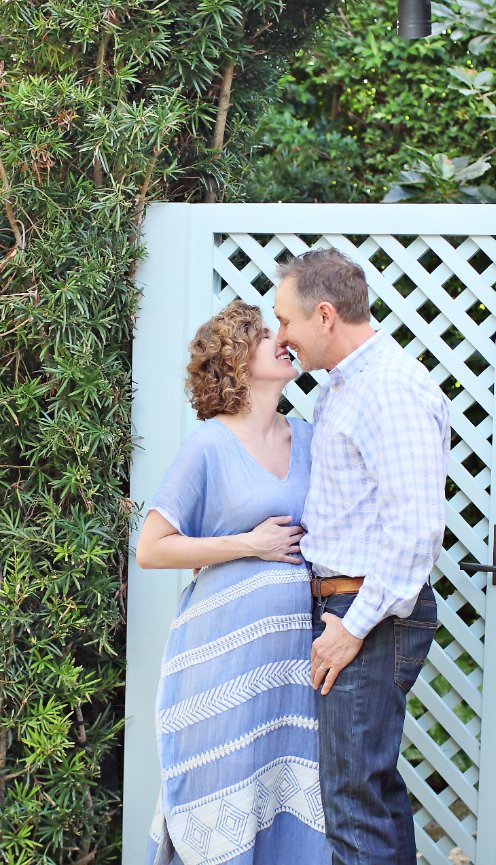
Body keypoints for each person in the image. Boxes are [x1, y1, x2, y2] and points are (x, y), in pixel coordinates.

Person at [136, 300, 332, 865]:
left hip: (294, 663)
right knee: (223, 789)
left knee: (297, 792)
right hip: (219, 664)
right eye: (265, 334)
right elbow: (151, 547)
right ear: (236, 361)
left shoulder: (312, 439)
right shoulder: (209, 446)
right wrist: (249, 544)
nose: (282, 339)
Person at [273, 248, 450, 865]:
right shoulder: (345, 388)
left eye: (286, 322)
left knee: (351, 802)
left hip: (369, 612)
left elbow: (417, 527)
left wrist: (351, 626)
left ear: (324, 316)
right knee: (369, 792)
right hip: (351, 607)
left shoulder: (389, 389)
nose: (282, 337)